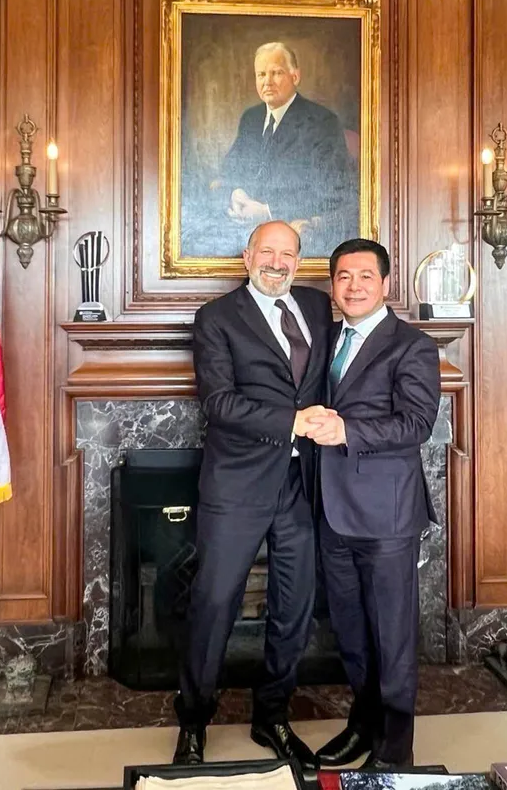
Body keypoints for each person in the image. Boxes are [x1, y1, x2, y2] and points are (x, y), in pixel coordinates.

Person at [173, 220, 332, 770]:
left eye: (287, 254)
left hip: (302, 484)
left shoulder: (317, 308)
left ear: (299, 262)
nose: (277, 262)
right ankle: (193, 721)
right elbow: (219, 403)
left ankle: (272, 715)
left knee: (294, 606)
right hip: (237, 484)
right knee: (215, 603)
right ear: (247, 256)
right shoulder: (217, 318)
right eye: (267, 251)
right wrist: (293, 421)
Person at [306, 238, 441, 769]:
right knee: (352, 634)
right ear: (332, 287)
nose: (354, 286)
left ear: (386, 284)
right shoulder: (326, 339)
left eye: (365, 276)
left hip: (386, 516)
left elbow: (416, 424)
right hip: (331, 510)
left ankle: (394, 753)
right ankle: (363, 726)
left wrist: (348, 430)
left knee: (391, 638)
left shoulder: (411, 345)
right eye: (343, 277)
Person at [212, 42, 357, 256]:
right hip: (244, 232)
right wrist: (236, 193)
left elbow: (331, 192)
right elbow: (229, 171)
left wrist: (268, 212)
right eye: (261, 74)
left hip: (292, 235)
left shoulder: (322, 122)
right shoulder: (251, 118)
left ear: (295, 77)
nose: (267, 82)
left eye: (276, 73)